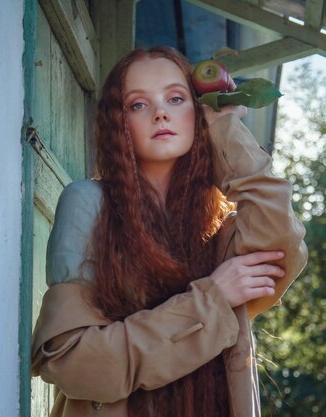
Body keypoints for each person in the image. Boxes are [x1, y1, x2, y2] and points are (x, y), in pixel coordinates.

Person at [31, 46, 308, 417]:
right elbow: (74, 364)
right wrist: (212, 299)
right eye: (138, 105)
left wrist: (225, 129)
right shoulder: (88, 203)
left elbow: (281, 247)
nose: (161, 112)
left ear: (198, 112)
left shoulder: (219, 228)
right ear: (119, 123)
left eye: (176, 98)